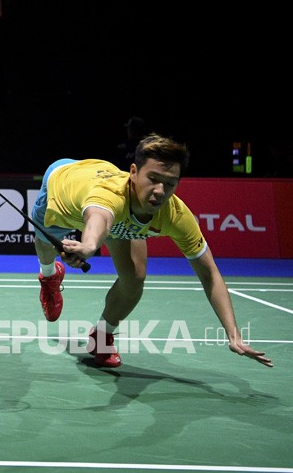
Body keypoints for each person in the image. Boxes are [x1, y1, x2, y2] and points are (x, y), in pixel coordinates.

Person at [30, 133, 272, 368]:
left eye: (170, 183)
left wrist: (234, 335)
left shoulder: (175, 215)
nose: (160, 191)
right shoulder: (109, 197)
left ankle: (101, 336)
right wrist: (90, 245)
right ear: (133, 173)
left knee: (134, 278)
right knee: (45, 247)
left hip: (114, 211)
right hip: (62, 187)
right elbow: (99, 218)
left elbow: (209, 274)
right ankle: (49, 276)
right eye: (153, 178)